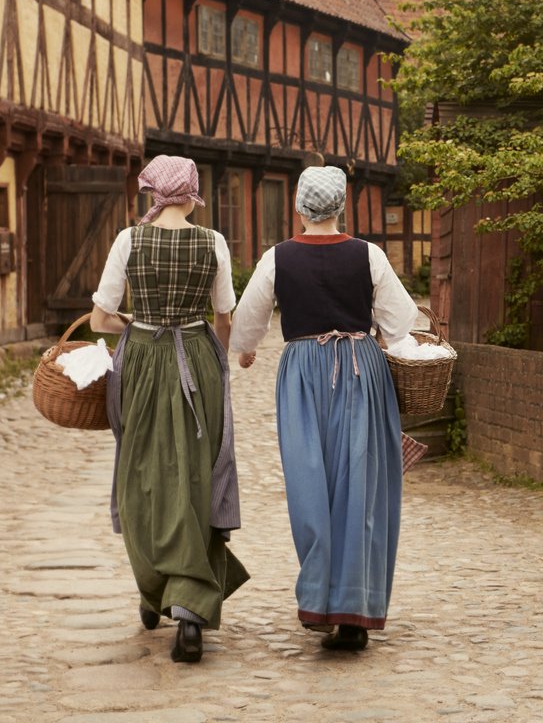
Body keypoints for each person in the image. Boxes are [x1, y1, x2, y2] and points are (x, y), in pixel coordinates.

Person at [229, 165, 420, 651]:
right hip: (361, 369)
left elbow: (247, 321)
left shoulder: (277, 258)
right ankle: (355, 611)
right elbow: (400, 324)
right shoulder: (369, 255)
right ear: (341, 206)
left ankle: (320, 600)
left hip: (302, 375)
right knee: (360, 484)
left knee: (309, 481)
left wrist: (248, 350)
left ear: (298, 206)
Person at [90, 155, 249, 663]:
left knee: (142, 475)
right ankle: (185, 605)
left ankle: (156, 589)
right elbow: (223, 316)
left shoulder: (128, 240)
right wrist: (215, 357)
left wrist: (138, 323)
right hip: (197, 360)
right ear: (192, 190)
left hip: (140, 359)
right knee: (197, 474)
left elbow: (100, 318)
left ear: (152, 190)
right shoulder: (214, 242)